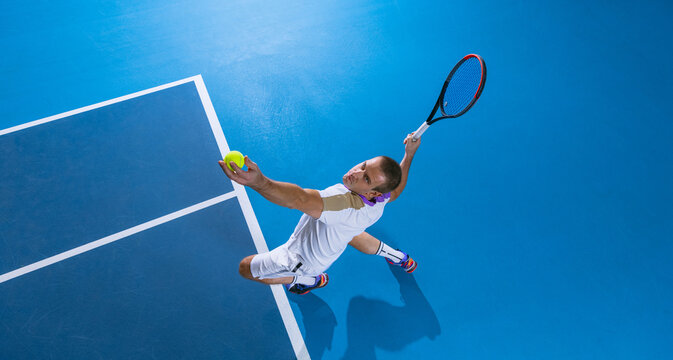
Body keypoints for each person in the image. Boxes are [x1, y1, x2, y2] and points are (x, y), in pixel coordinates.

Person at [218, 133, 421, 295]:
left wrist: (260, 183)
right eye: (363, 166)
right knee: (351, 234)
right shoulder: (380, 198)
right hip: (339, 237)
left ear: (373, 191)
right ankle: (398, 257)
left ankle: (309, 280)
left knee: (246, 268)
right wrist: (409, 155)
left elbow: (299, 199)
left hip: (300, 260)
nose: (356, 173)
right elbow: (395, 191)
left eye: (366, 179)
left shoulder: (342, 203)